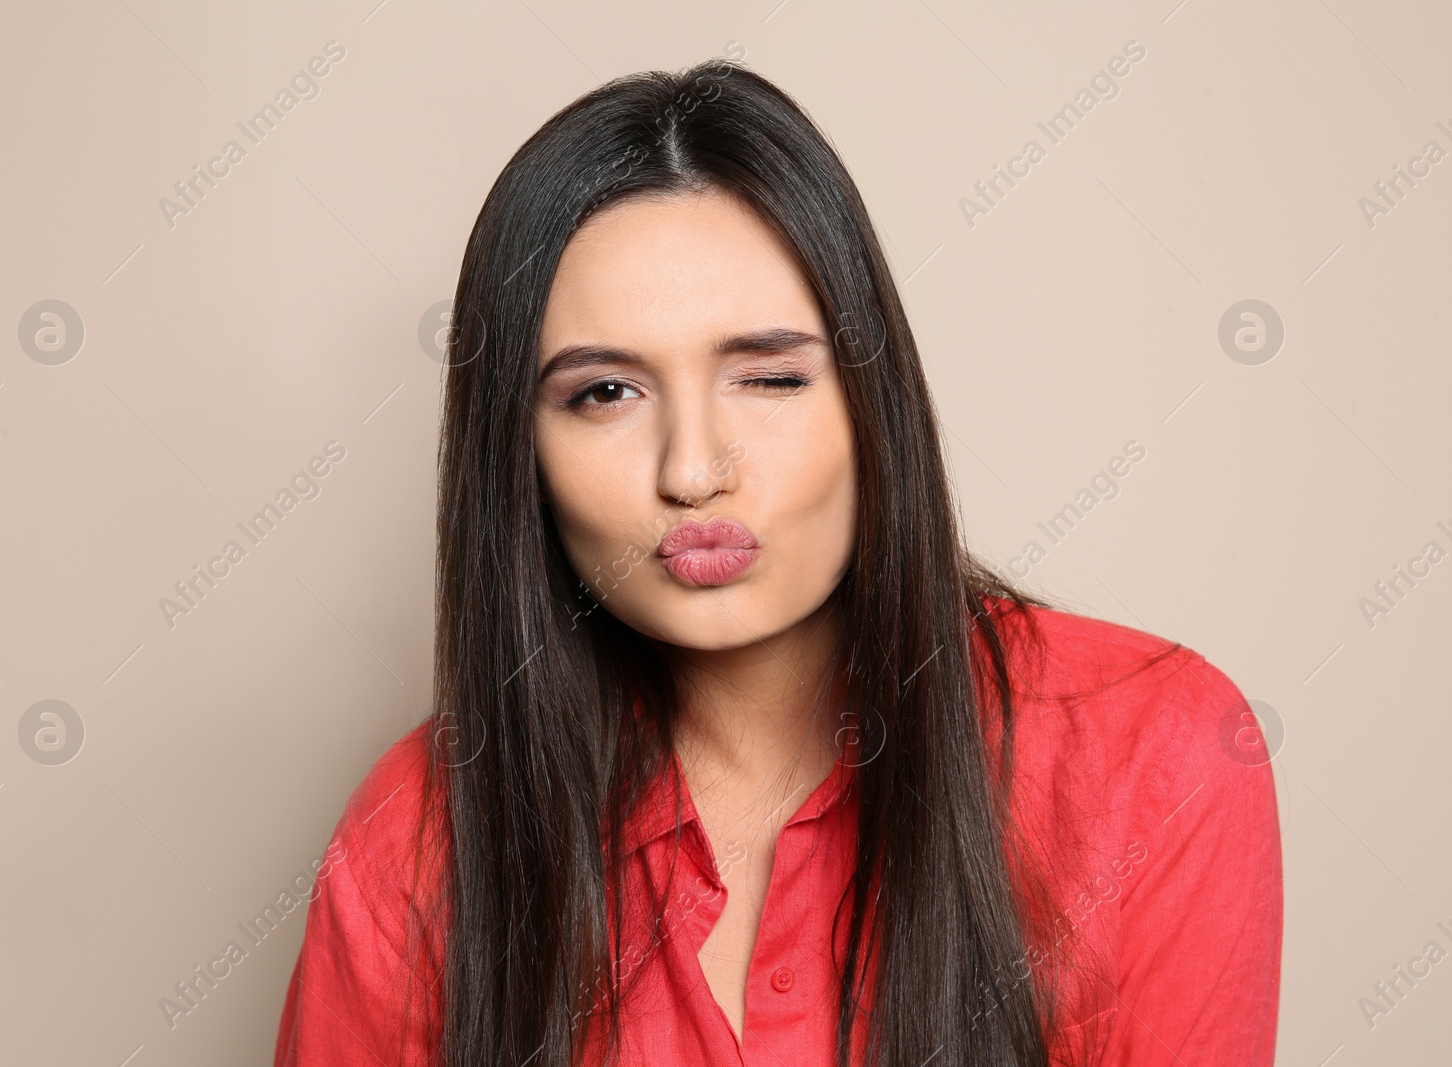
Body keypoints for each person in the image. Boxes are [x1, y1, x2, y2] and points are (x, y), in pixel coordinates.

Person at [273, 57, 1282, 1067]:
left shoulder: (1152, 755)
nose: (694, 469)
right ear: (518, 457)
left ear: (868, 401)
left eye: (768, 375)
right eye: (604, 394)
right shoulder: (416, 836)